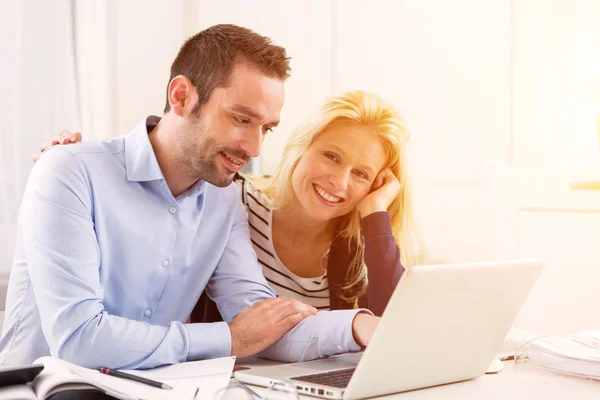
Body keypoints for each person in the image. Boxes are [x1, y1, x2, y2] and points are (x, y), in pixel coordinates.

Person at [0, 24, 380, 370]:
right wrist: (228, 339)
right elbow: (78, 339)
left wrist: (361, 326)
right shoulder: (69, 172)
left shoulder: (224, 202)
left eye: (267, 127)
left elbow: (262, 321)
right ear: (181, 97)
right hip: (43, 391)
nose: (254, 146)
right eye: (241, 119)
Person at [45, 91, 418, 321]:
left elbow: (395, 329)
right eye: (331, 157)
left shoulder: (357, 244)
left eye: (361, 174)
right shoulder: (228, 199)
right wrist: (78, 162)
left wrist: (376, 216)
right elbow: (150, 202)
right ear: (300, 148)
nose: (339, 181)